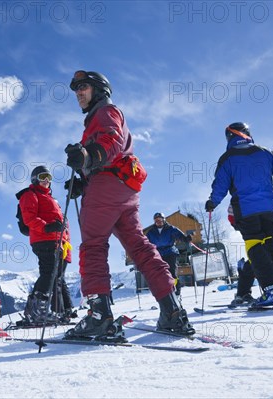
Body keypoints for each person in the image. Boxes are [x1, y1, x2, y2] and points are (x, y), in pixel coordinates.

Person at [63, 70, 194, 340]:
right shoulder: (101, 115)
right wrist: (83, 179)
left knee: (93, 246)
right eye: (76, 89)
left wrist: (87, 157)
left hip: (106, 188)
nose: (78, 93)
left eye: (83, 87)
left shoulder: (106, 112)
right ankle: (172, 311)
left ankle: (100, 317)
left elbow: (110, 142)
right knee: (139, 246)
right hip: (124, 190)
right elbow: (111, 150)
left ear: (100, 90)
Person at [206, 122, 273, 309]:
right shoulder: (264, 152)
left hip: (246, 213)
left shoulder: (227, 158)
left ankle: (272, 291)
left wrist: (212, 202)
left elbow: (220, 186)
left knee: (256, 250)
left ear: (229, 137)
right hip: (269, 210)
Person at [17, 165, 74, 326]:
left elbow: (61, 223)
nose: (47, 180)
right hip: (43, 239)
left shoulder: (51, 198)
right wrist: (47, 227)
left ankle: (34, 310)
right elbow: (29, 218)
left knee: (51, 274)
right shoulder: (30, 195)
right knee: (49, 272)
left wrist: (64, 240)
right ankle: (39, 311)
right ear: (35, 179)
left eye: (49, 177)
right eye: (43, 177)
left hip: (56, 240)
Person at [145, 212, 192, 296]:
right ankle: (165, 292)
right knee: (161, 274)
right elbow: (146, 243)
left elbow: (180, 236)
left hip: (170, 252)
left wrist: (186, 238)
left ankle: (177, 291)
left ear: (164, 220)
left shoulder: (171, 229)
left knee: (172, 272)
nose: (158, 222)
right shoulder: (151, 232)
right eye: (156, 220)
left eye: (160, 220)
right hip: (158, 254)